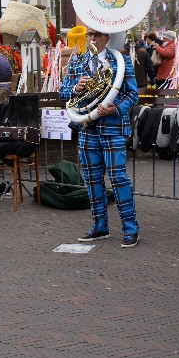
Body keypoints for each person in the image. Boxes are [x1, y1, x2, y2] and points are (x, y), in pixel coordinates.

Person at [58, 29, 139, 247]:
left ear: (107, 38)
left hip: (112, 128)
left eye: (97, 35)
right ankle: (99, 226)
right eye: (90, 35)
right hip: (87, 127)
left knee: (118, 179)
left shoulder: (122, 61)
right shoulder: (78, 61)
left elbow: (133, 95)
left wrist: (116, 109)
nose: (92, 39)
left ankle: (130, 229)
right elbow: (63, 92)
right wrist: (76, 87)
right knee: (93, 180)